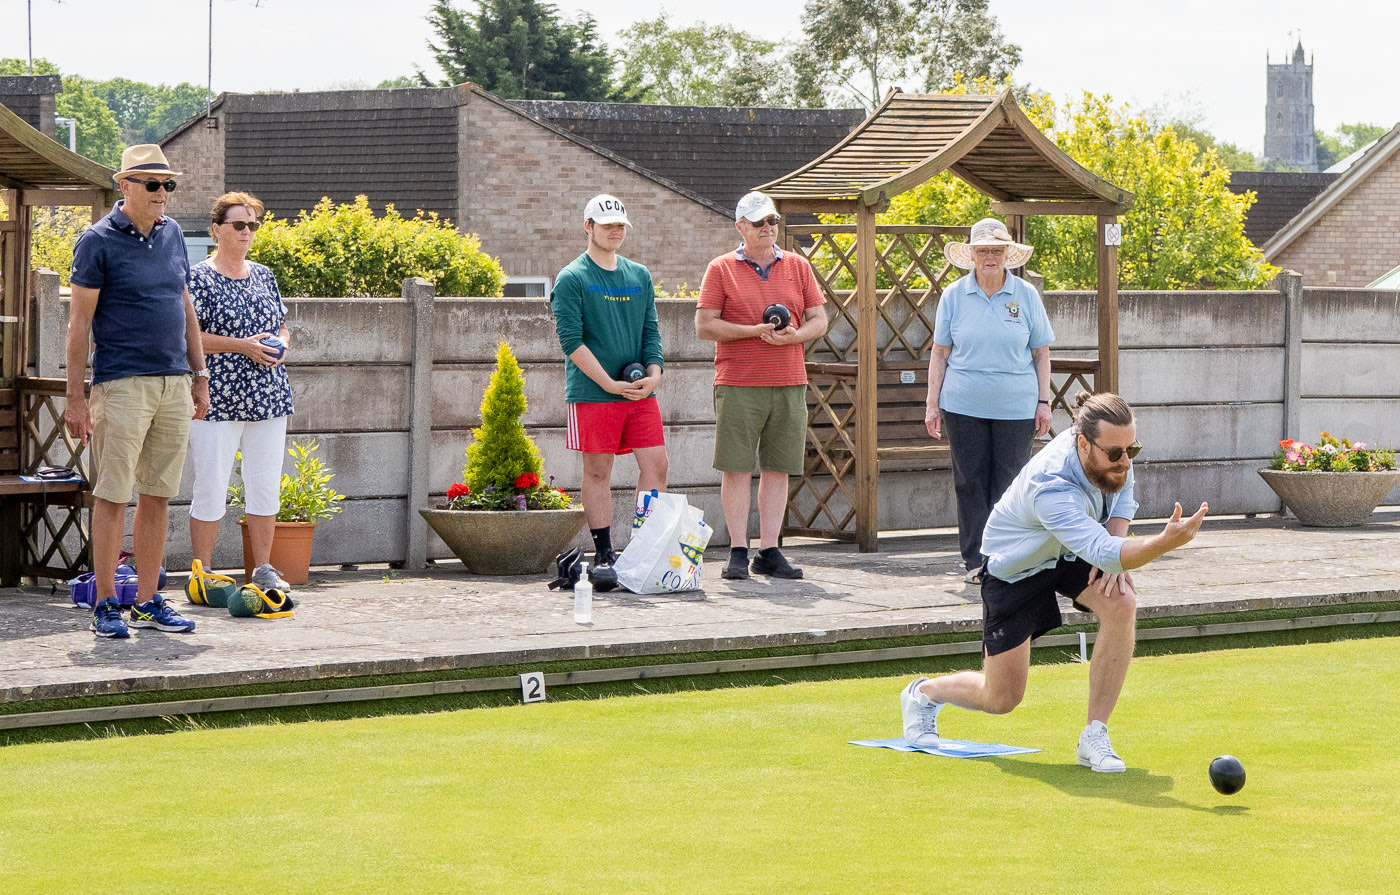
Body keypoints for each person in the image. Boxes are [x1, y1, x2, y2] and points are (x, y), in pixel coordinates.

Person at [899, 392, 1209, 772]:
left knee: (1121, 601)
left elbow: (1121, 500)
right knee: (1002, 698)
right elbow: (1102, 549)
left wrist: (1116, 552)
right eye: (1115, 453)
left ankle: (1094, 735)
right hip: (1017, 567)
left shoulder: (1115, 453)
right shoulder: (1051, 485)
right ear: (1083, 443)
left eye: (1133, 449)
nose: (1126, 461)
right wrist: (1162, 544)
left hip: (1068, 550)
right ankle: (925, 693)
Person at [65, 144, 207, 638]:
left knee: (158, 495)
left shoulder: (172, 235)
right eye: (152, 184)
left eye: (168, 185)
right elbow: (78, 325)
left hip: (174, 383)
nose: (163, 194)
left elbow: (184, 306)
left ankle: (148, 602)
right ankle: (106, 604)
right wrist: (77, 398)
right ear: (123, 186)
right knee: (112, 497)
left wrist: (200, 375)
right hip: (121, 383)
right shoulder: (97, 240)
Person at [696, 191, 827, 580]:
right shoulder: (720, 268)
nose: (768, 228)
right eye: (759, 223)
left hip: (789, 381)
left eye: (772, 221)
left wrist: (796, 336)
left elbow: (820, 318)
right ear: (740, 227)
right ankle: (738, 549)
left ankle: (769, 550)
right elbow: (705, 326)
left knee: (778, 468)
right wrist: (752, 332)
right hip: (739, 382)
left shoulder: (799, 267)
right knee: (735, 468)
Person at [925, 218, 1055, 585]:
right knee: (970, 482)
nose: (990, 257)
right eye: (983, 251)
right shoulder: (953, 295)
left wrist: (1043, 401)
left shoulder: (1026, 294)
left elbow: (1041, 353)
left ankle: (1008, 557)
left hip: (1016, 406)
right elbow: (940, 353)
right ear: (972, 256)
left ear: (1006, 255)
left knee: (1011, 484)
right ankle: (976, 560)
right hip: (963, 405)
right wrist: (932, 404)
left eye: (996, 250)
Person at [550, 194, 667, 570]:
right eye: (607, 225)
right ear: (588, 227)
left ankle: (642, 547)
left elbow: (651, 333)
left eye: (621, 225)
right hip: (593, 392)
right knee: (598, 472)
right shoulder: (572, 278)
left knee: (657, 465)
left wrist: (655, 375)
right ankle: (603, 552)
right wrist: (609, 384)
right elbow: (572, 342)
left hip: (638, 391)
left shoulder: (639, 275)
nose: (616, 231)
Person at [186, 191, 294, 592]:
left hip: (268, 394)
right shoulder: (197, 277)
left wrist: (282, 344)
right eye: (239, 224)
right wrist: (242, 345)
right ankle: (204, 571)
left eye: (253, 225)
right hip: (216, 395)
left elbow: (281, 323)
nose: (247, 232)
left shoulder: (264, 274)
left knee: (265, 482)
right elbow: (189, 336)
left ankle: (263, 568)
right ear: (217, 230)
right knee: (211, 483)